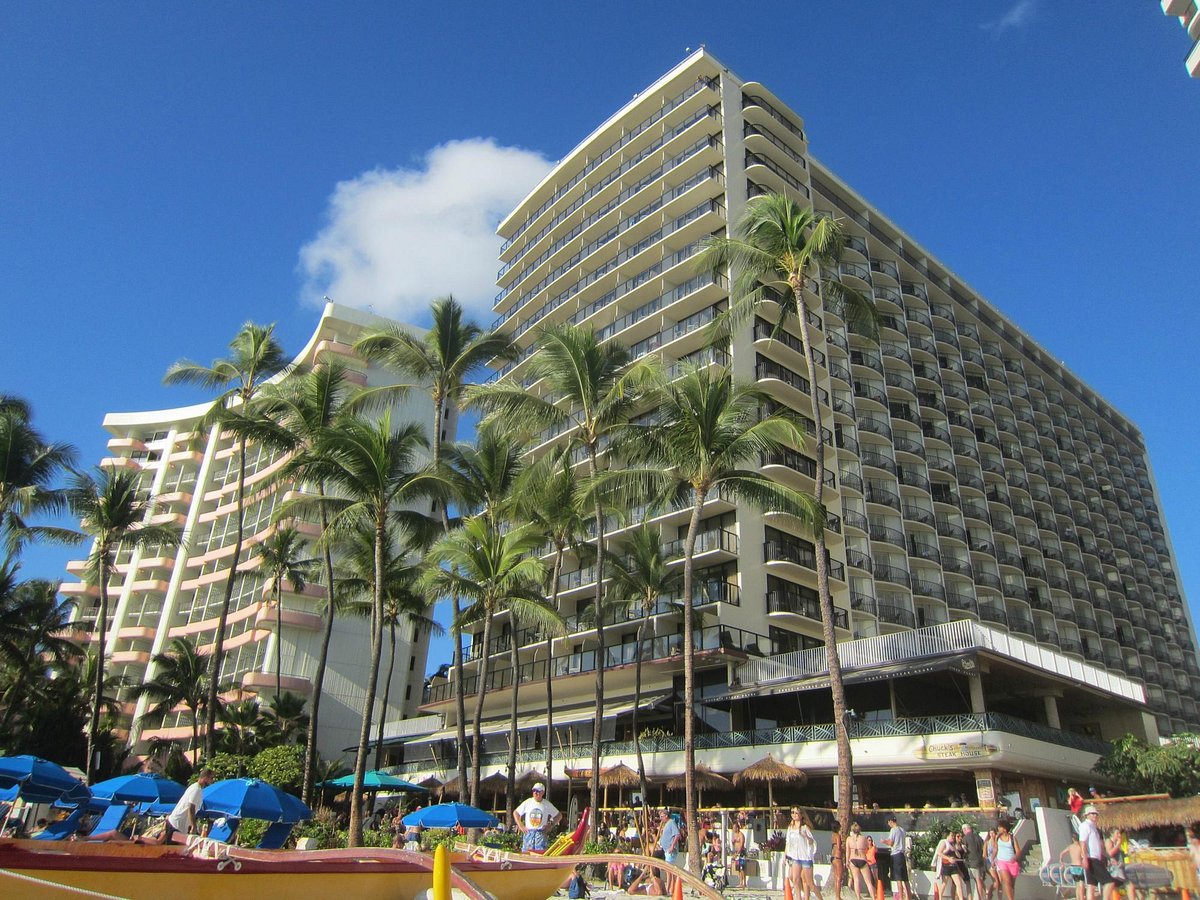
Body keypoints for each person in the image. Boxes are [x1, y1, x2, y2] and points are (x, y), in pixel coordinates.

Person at [164, 768, 214, 843]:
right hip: (177, 824)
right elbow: (191, 808)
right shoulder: (196, 789)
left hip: (179, 825)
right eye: (211, 778)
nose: (212, 781)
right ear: (205, 778)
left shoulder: (195, 787)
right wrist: (194, 826)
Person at [512, 782, 560, 853]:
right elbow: (516, 813)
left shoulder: (547, 804)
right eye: (534, 791)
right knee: (526, 853)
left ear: (542, 792)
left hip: (540, 833)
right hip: (529, 833)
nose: (535, 793)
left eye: (538, 791)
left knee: (540, 854)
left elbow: (558, 816)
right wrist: (520, 825)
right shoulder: (528, 802)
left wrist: (550, 825)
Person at [786, 807, 822, 900]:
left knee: (810, 883)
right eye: (792, 812)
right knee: (795, 879)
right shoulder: (790, 828)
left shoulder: (805, 827)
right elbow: (788, 842)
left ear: (801, 815)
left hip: (805, 858)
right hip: (795, 857)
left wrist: (806, 836)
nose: (794, 814)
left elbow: (812, 842)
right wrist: (785, 856)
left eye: (796, 813)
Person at [992, 818, 1021, 900]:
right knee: (1006, 882)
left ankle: (1011, 897)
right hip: (1002, 862)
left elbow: (1018, 851)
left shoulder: (1012, 838)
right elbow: (995, 849)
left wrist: (1014, 858)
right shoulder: (997, 837)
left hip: (1012, 863)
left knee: (1011, 885)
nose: (998, 828)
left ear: (1004, 829)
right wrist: (992, 859)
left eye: (1000, 827)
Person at [883, 814, 910, 900]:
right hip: (902, 854)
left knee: (899, 878)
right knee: (905, 878)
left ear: (890, 821)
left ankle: (901, 897)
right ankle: (908, 897)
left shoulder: (893, 830)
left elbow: (891, 843)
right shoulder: (902, 830)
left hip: (896, 854)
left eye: (888, 823)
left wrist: (884, 841)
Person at [847, 822, 876, 900]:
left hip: (853, 859)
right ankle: (873, 898)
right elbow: (866, 849)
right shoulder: (863, 838)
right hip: (862, 859)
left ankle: (858, 898)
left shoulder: (849, 839)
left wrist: (847, 861)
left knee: (856, 880)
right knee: (868, 882)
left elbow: (847, 851)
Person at [962, 823, 986, 900]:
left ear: (965, 829)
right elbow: (984, 846)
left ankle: (981, 898)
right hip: (980, 861)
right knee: (980, 880)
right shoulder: (978, 837)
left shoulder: (965, 838)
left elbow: (964, 850)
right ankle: (984, 895)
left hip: (972, 862)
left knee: (978, 880)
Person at [730, 819, 748, 888]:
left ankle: (744, 883)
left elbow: (741, 844)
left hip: (741, 853)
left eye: (734, 828)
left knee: (742, 868)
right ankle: (740, 882)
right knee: (738, 868)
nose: (733, 829)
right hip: (736, 852)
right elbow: (734, 844)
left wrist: (737, 853)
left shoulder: (741, 835)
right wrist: (733, 842)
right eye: (733, 828)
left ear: (737, 828)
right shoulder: (734, 835)